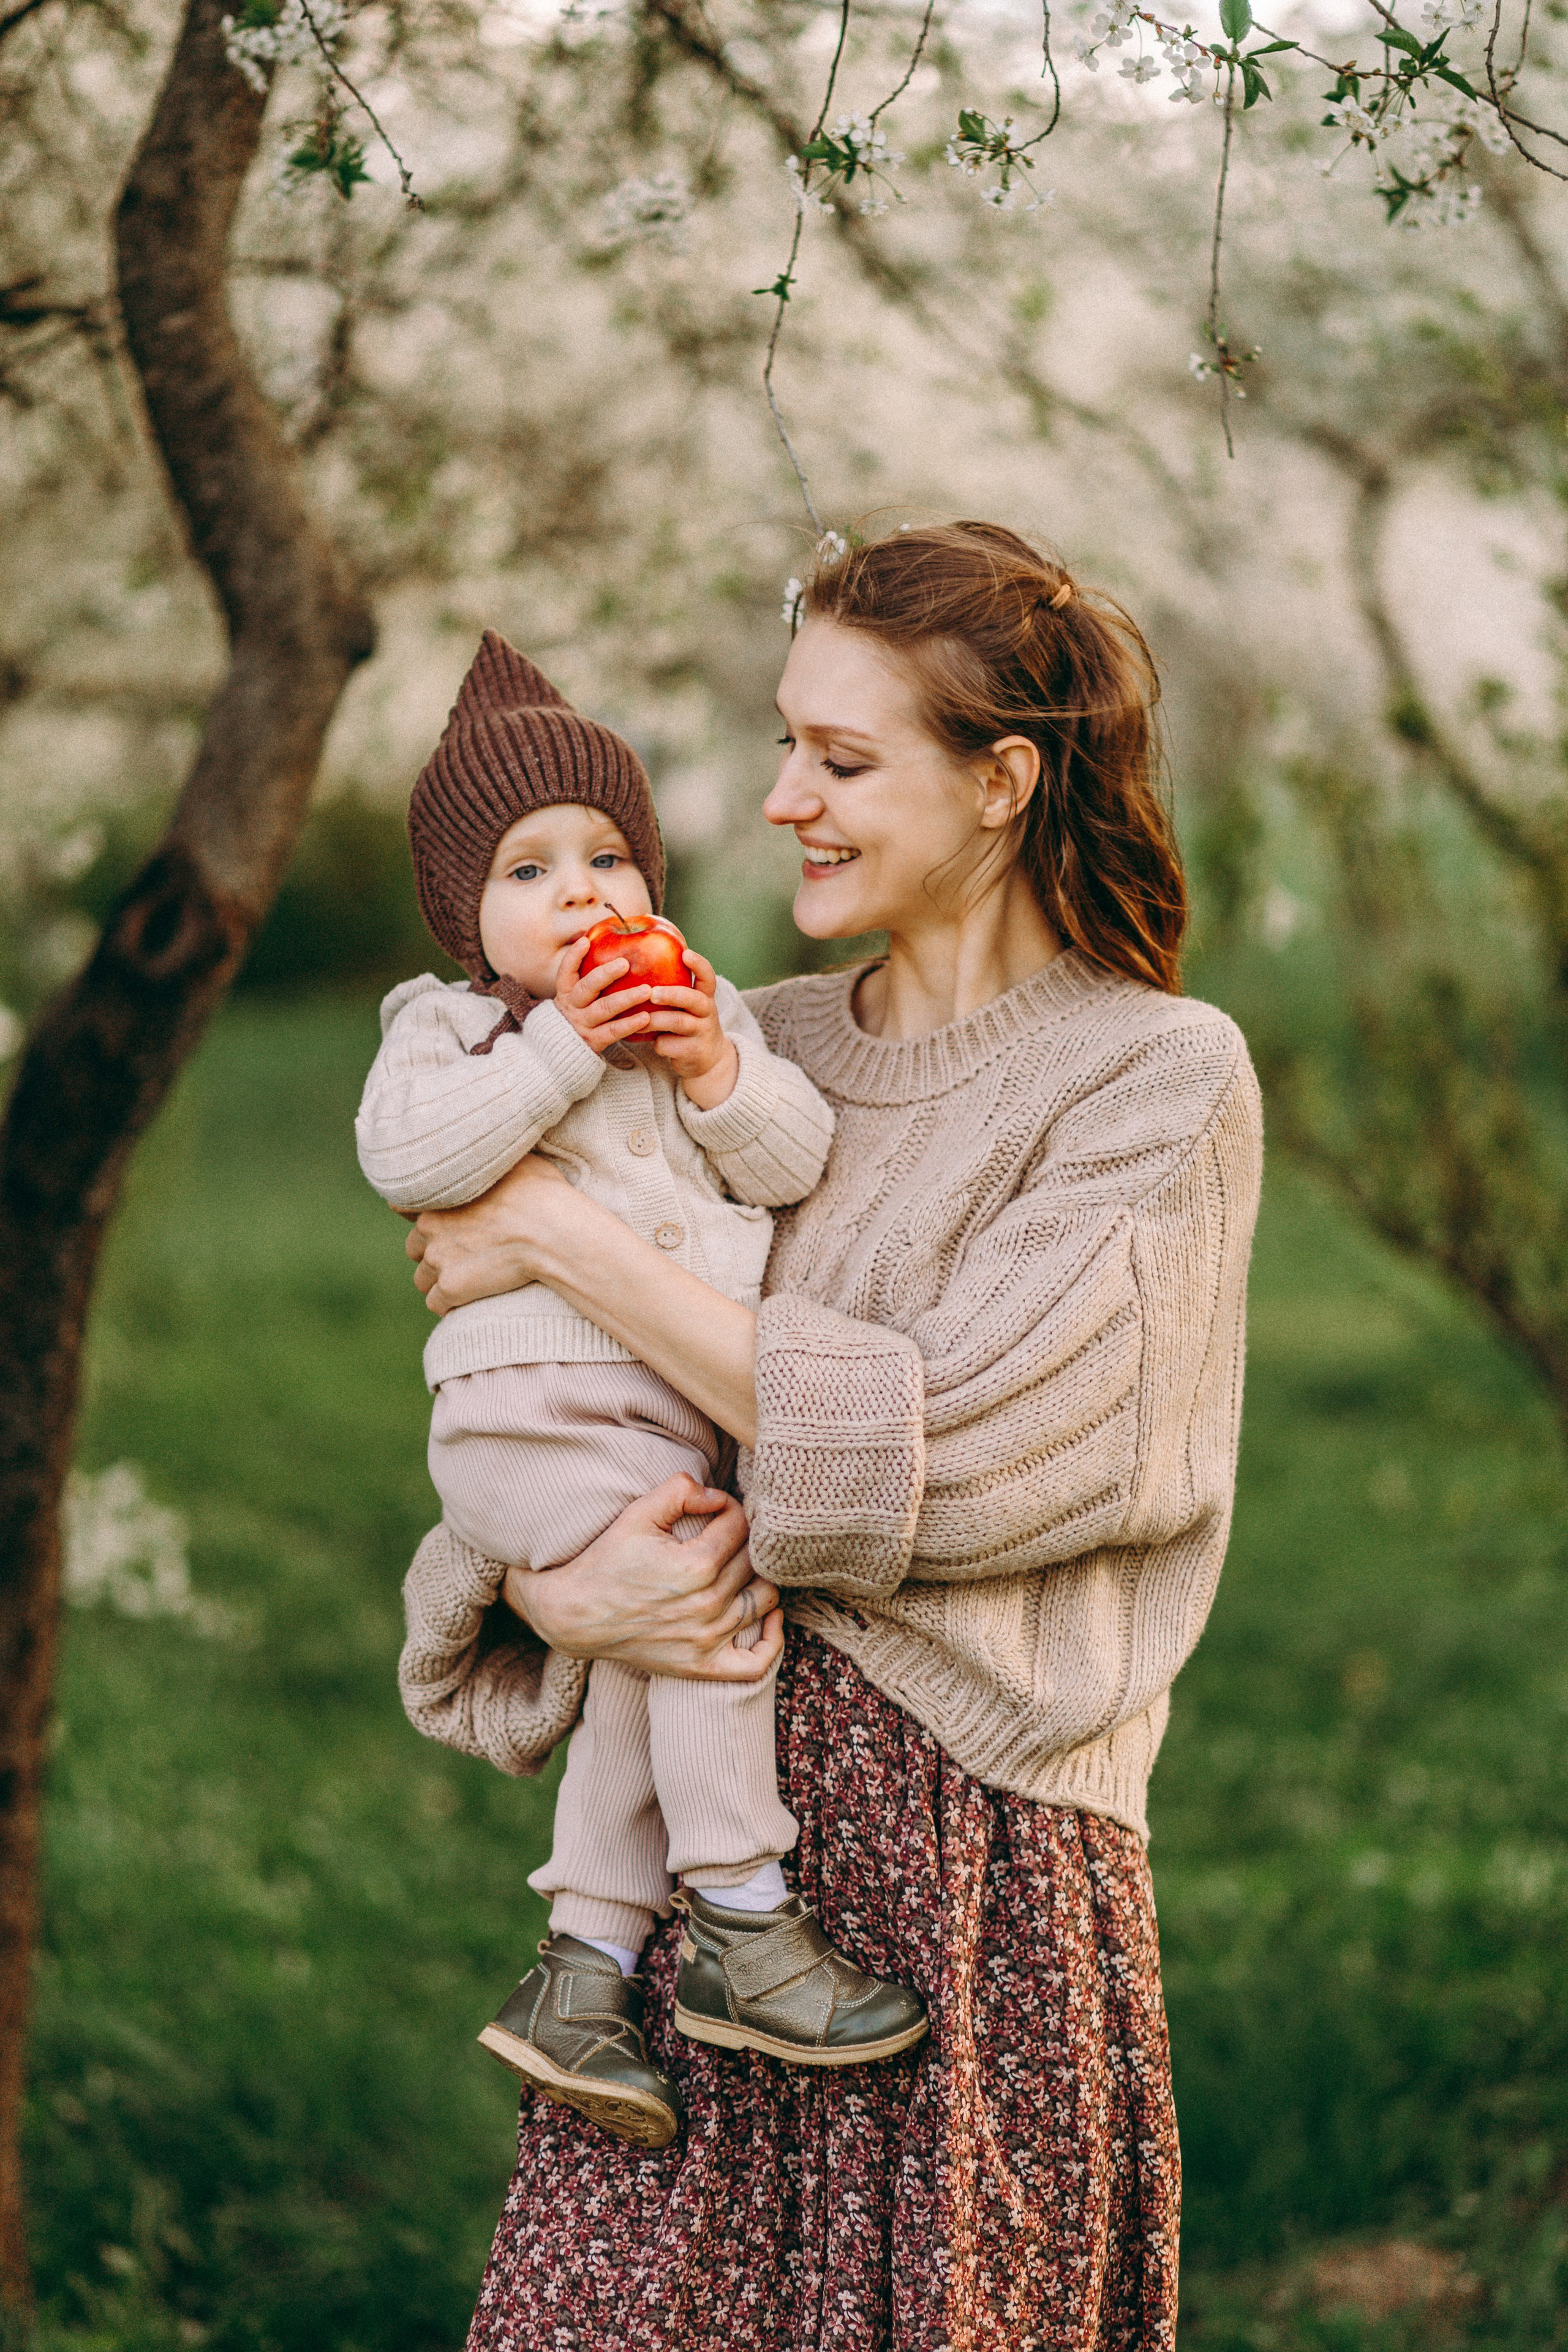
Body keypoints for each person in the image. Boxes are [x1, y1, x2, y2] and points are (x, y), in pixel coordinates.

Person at [398, 522, 1264, 2352]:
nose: (780, 798)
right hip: (686, 1901)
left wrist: (555, 1233)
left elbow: (964, 1458)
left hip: (963, 1893)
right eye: (784, 743)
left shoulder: (1153, 1077)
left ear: (1000, 784)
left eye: (842, 761)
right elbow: (553, 1403)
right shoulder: (742, 1047)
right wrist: (548, 1591)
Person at [360, 631, 926, 2154]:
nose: (582, 896)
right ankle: (742, 1913)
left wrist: (712, 1074)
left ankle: (584, 1966)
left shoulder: (703, 1007)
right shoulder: (456, 1028)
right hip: (529, 1419)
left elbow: (793, 1162)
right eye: (529, 871)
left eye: (607, 858)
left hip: (659, 1420)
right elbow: (408, 1158)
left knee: (642, 1647)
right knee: (711, 1614)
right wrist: (561, 1050)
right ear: (466, 918)